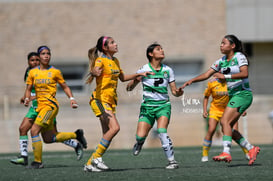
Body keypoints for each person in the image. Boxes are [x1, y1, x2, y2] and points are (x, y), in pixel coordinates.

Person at [181, 34, 260, 165]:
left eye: (224, 43)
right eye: (221, 43)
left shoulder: (239, 57)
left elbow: (244, 73)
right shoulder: (221, 61)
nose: (221, 45)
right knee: (227, 127)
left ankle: (226, 153)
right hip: (234, 96)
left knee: (224, 121)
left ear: (232, 46)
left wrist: (225, 76)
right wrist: (191, 80)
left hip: (243, 94)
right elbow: (207, 74)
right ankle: (251, 149)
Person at [83, 36, 152, 172]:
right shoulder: (100, 60)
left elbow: (123, 78)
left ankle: (90, 164)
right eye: (112, 43)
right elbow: (95, 70)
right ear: (105, 47)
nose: (116, 44)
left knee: (107, 133)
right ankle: (96, 158)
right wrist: (94, 72)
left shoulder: (115, 61)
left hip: (110, 101)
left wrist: (139, 74)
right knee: (115, 128)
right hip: (100, 100)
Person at [10, 52, 84, 166]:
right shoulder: (30, 73)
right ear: (28, 62)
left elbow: (45, 92)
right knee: (22, 129)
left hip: (47, 107)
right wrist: (25, 98)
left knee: (50, 137)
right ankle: (24, 156)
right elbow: (30, 90)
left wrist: (71, 98)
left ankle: (75, 141)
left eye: (36, 60)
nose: (35, 62)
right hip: (34, 108)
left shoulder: (49, 73)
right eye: (32, 60)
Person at [126, 43, 184, 169]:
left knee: (162, 131)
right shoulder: (143, 69)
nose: (162, 50)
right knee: (140, 136)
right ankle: (140, 142)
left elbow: (174, 92)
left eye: (162, 48)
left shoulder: (168, 70)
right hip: (147, 107)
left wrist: (179, 93)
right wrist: (137, 78)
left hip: (163, 106)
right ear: (151, 54)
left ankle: (172, 161)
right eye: (158, 49)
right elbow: (129, 88)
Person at [201, 77, 249, 162]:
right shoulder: (212, 83)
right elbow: (206, 97)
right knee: (211, 129)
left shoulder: (232, 83)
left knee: (234, 132)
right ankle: (205, 154)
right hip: (215, 110)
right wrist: (205, 110)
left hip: (230, 110)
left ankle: (247, 152)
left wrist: (243, 109)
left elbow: (238, 96)